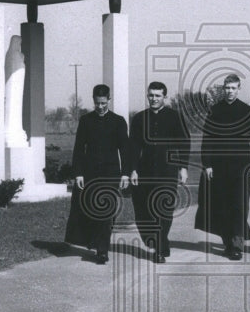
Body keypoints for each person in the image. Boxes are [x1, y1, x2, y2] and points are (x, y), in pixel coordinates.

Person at [194, 73, 250, 260]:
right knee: (222, 206)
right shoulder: (215, 110)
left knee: (239, 206)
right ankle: (227, 242)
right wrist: (207, 164)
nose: (230, 91)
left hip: (241, 168)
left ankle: (237, 245)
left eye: (233, 88)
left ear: (239, 89)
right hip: (219, 167)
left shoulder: (246, 110)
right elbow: (207, 140)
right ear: (223, 89)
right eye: (227, 88)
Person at [65, 84, 131, 265]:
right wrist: (78, 174)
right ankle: (93, 241)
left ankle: (102, 250)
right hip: (90, 173)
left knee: (106, 211)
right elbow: (79, 148)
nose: (100, 107)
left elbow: (125, 150)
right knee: (90, 209)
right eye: (97, 103)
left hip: (111, 173)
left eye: (103, 103)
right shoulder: (86, 120)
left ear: (109, 100)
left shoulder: (118, 121)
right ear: (93, 101)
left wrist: (125, 174)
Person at [129, 81, 191, 263]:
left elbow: (184, 143)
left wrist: (183, 167)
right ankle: (156, 240)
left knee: (163, 210)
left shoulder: (174, 117)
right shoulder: (139, 118)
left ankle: (159, 248)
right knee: (143, 210)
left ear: (165, 97)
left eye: (157, 95)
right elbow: (133, 146)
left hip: (167, 171)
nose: (154, 99)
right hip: (144, 171)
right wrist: (132, 169)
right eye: (151, 95)